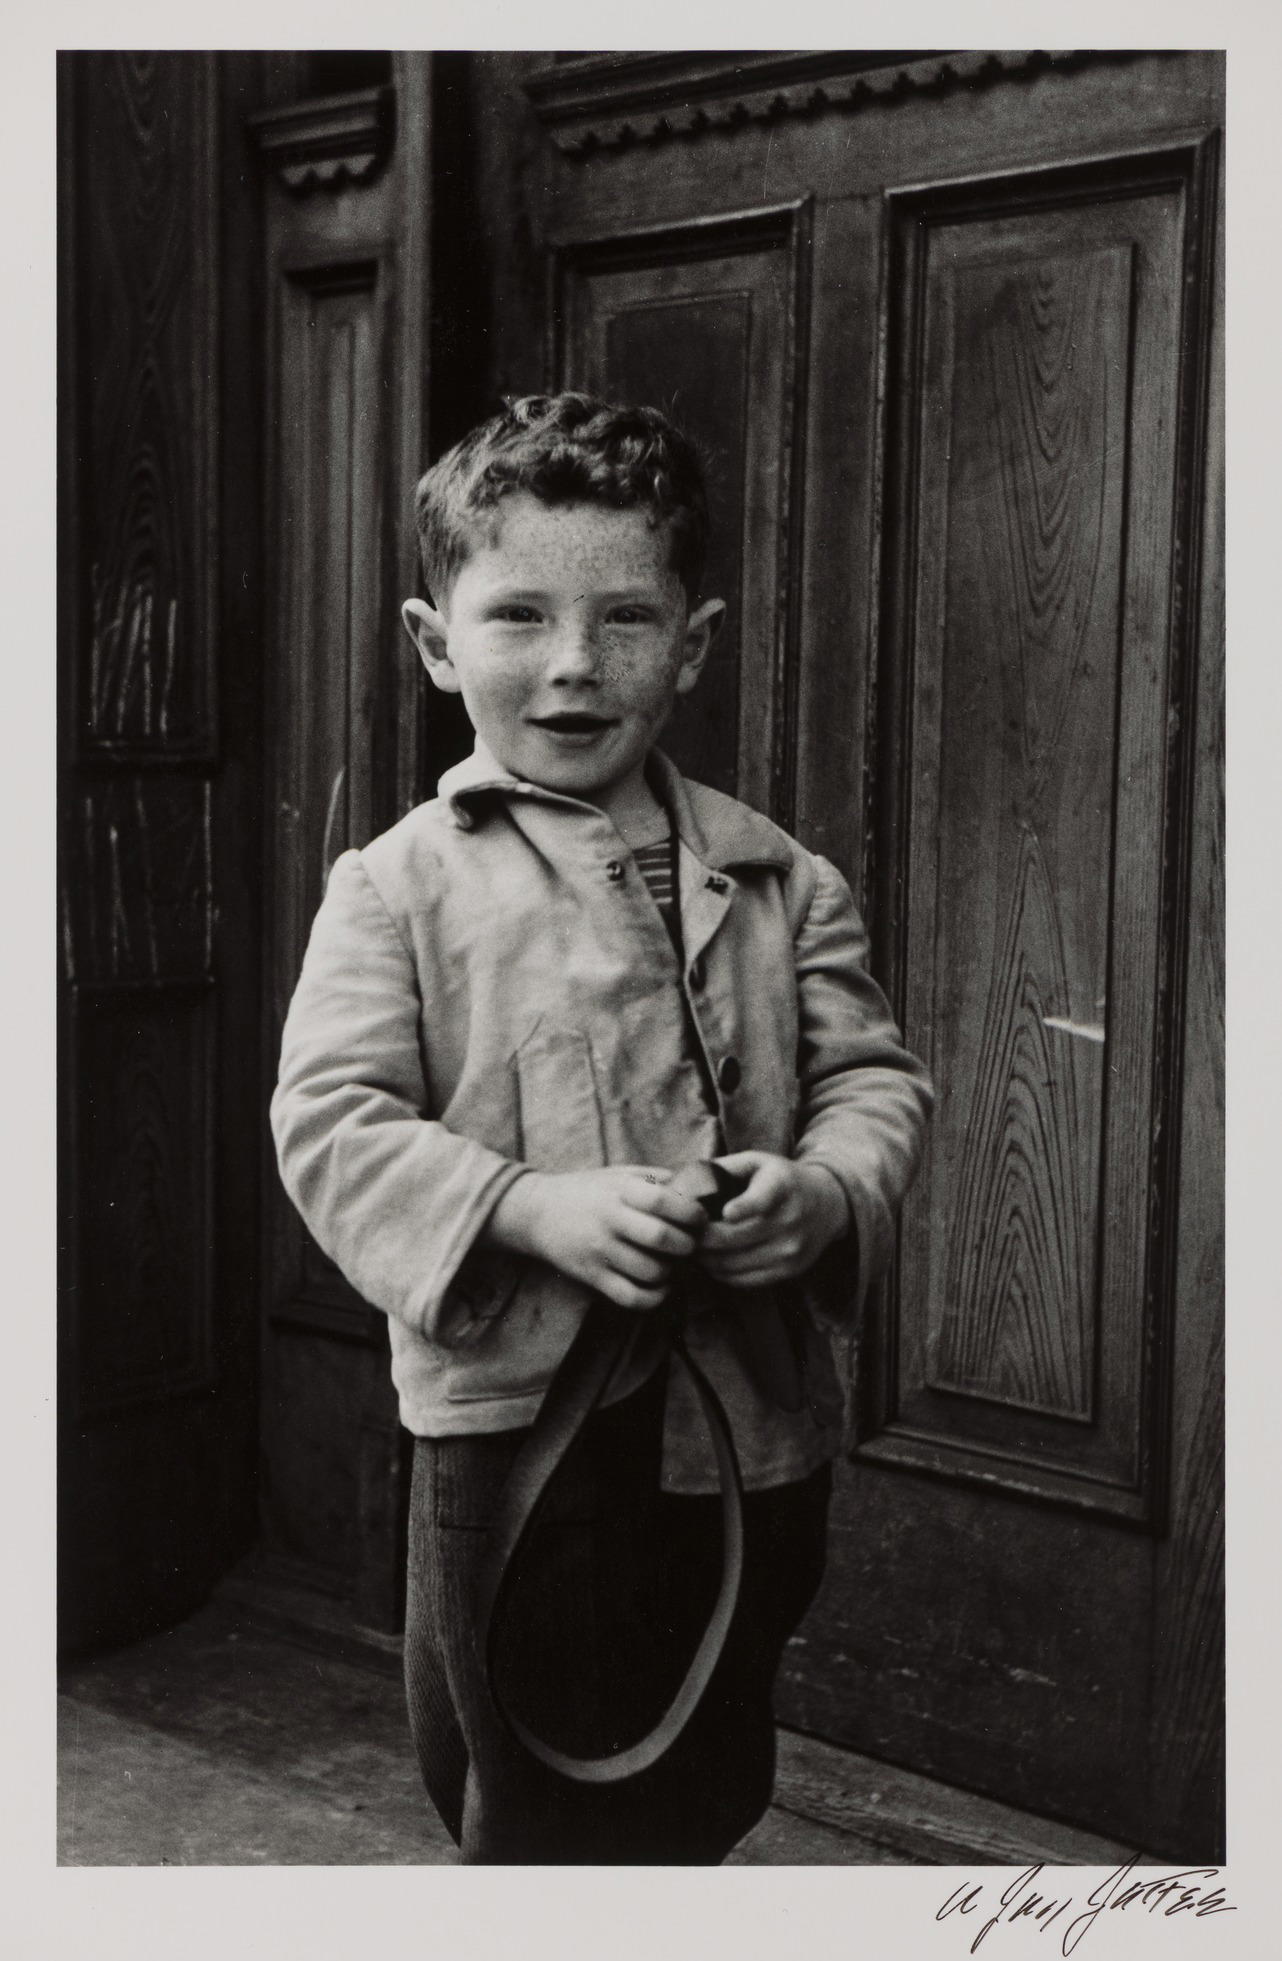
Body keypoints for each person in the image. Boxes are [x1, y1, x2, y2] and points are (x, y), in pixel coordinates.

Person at [271, 390, 932, 1864]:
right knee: (527, 1774)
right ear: (437, 643)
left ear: (689, 645)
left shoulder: (782, 882)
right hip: (517, 1433)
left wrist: (825, 1193)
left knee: (708, 1750)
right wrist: (526, 1209)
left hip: (747, 1421)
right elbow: (329, 1122)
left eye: (626, 619)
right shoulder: (395, 889)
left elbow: (873, 1083)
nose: (574, 662)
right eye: (518, 616)